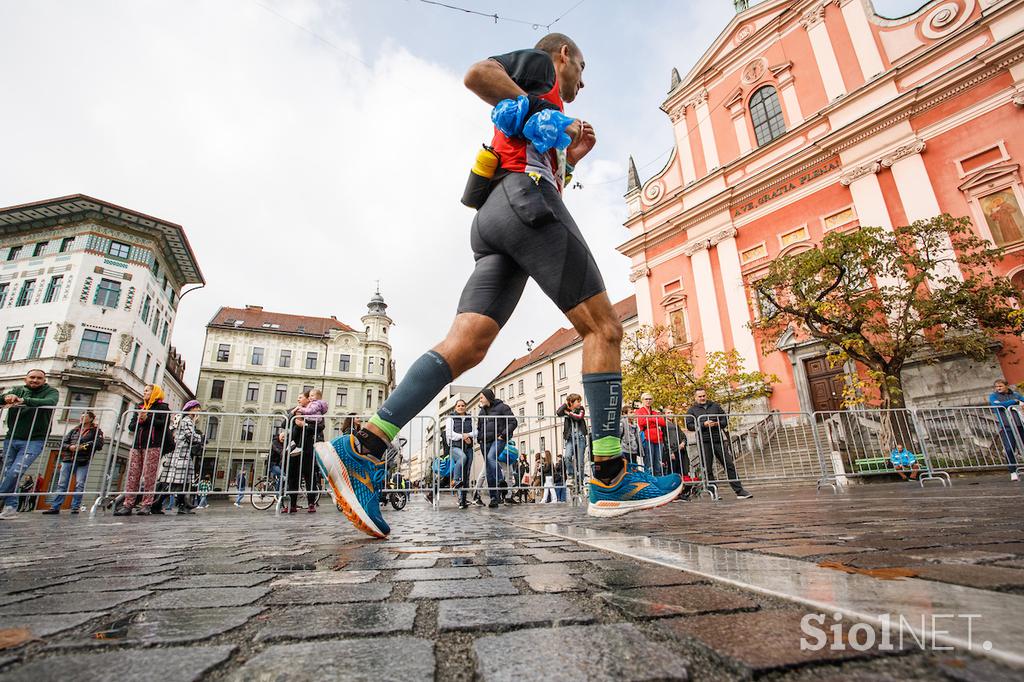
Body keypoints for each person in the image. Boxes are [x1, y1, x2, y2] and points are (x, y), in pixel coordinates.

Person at [313, 33, 682, 538]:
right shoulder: (542, 67)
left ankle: (363, 447)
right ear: (564, 56)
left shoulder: (543, 107)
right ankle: (611, 475)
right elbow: (478, 74)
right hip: (524, 201)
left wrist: (572, 155)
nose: (581, 83)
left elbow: (539, 160)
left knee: (466, 346)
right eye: (581, 69)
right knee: (605, 330)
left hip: (496, 218)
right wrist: (547, 111)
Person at [0, 369, 60, 519]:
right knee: (8, 473)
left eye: (39, 378)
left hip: (35, 440)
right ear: (25, 379)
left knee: (15, 471)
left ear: (44, 380)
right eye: (32, 377)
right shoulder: (17, 390)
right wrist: (7, 397)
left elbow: (50, 402)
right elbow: (2, 399)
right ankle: (11, 507)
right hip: (12, 437)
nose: (35, 380)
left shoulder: (51, 391)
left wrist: (24, 401)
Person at [114, 384, 170, 516]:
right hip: (137, 445)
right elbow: (132, 426)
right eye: (144, 390)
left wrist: (148, 418)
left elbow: (164, 424)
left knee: (149, 476)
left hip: (152, 445)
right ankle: (128, 504)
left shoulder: (162, 407)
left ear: (155, 393)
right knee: (132, 475)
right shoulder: (140, 406)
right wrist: (140, 420)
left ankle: (146, 504)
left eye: (147, 391)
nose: (144, 392)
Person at [687, 388, 753, 500]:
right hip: (704, 441)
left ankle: (740, 491)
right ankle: (714, 493)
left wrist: (716, 423)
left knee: (729, 464)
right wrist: (703, 424)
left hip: (718, 440)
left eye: (704, 395)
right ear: (695, 397)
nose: (702, 398)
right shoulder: (691, 410)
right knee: (707, 468)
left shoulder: (715, 406)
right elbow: (689, 425)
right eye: (700, 396)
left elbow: (724, 421)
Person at [43, 410, 104, 514]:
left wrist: (86, 446)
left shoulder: (96, 431)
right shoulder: (75, 430)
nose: (82, 418)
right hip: (68, 459)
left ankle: (75, 507)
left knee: (79, 484)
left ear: (91, 419)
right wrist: (70, 447)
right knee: (62, 484)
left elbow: (99, 445)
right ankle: (55, 507)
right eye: (81, 416)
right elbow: (63, 443)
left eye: (85, 416)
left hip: (83, 460)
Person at [155, 400, 202, 515]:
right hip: (181, 455)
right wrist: (202, 438)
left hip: (178, 454)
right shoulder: (187, 420)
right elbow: (190, 436)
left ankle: (181, 504)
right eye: (197, 408)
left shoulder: (184, 420)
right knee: (177, 482)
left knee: (176, 482)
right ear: (191, 409)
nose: (199, 411)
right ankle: (180, 505)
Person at [475, 389, 517, 508]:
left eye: (481, 397)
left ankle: (500, 481)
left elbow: (513, 422)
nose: (480, 400)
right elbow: (479, 427)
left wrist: (503, 434)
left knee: (491, 457)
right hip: (484, 442)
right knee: (488, 471)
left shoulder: (503, 407)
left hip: (498, 439)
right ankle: (494, 498)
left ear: (488, 397)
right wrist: (479, 438)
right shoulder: (482, 411)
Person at [988, 379, 1024, 482]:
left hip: (1019, 424)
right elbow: (997, 405)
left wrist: (1018, 401)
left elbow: (1022, 399)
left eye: (1000, 386)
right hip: (1006, 426)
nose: (998, 388)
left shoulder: (1015, 394)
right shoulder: (993, 396)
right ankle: (1013, 471)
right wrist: (1014, 402)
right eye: (996, 387)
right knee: (1009, 449)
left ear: (1006, 386)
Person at [446, 399, 474, 509]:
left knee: (466, 474)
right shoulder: (450, 418)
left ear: (465, 407)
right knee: (463, 458)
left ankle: (462, 500)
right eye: (459, 405)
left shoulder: (470, 418)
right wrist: (463, 436)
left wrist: (468, 435)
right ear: (455, 407)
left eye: (463, 405)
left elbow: (476, 431)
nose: (461, 407)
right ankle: (456, 480)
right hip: (455, 447)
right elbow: (449, 433)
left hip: (468, 447)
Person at [556, 394, 588, 488]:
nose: (580, 403)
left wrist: (568, 413)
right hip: (570, 438)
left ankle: (580, 481)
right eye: (577, 401)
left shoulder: (581, 408)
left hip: (580, 437)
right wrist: (566, 404)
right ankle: (571, 476)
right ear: (571, 402)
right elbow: (558, 412)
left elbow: (579, 417)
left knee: (580, 461)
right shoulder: (566, 409)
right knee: (567, 457)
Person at [635, 393, 667, 477]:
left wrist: (649, 418)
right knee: (648, 462)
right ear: (642, 400)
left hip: (658, 438)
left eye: (650, 399)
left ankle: (658, 481)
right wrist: (654, 419)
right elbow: (641, 422)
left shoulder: (654, 412)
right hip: (647, 438)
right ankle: (649, 481)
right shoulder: (639, 411)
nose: (648, 401)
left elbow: (662, 422)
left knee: (658, 463)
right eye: (646, 399)